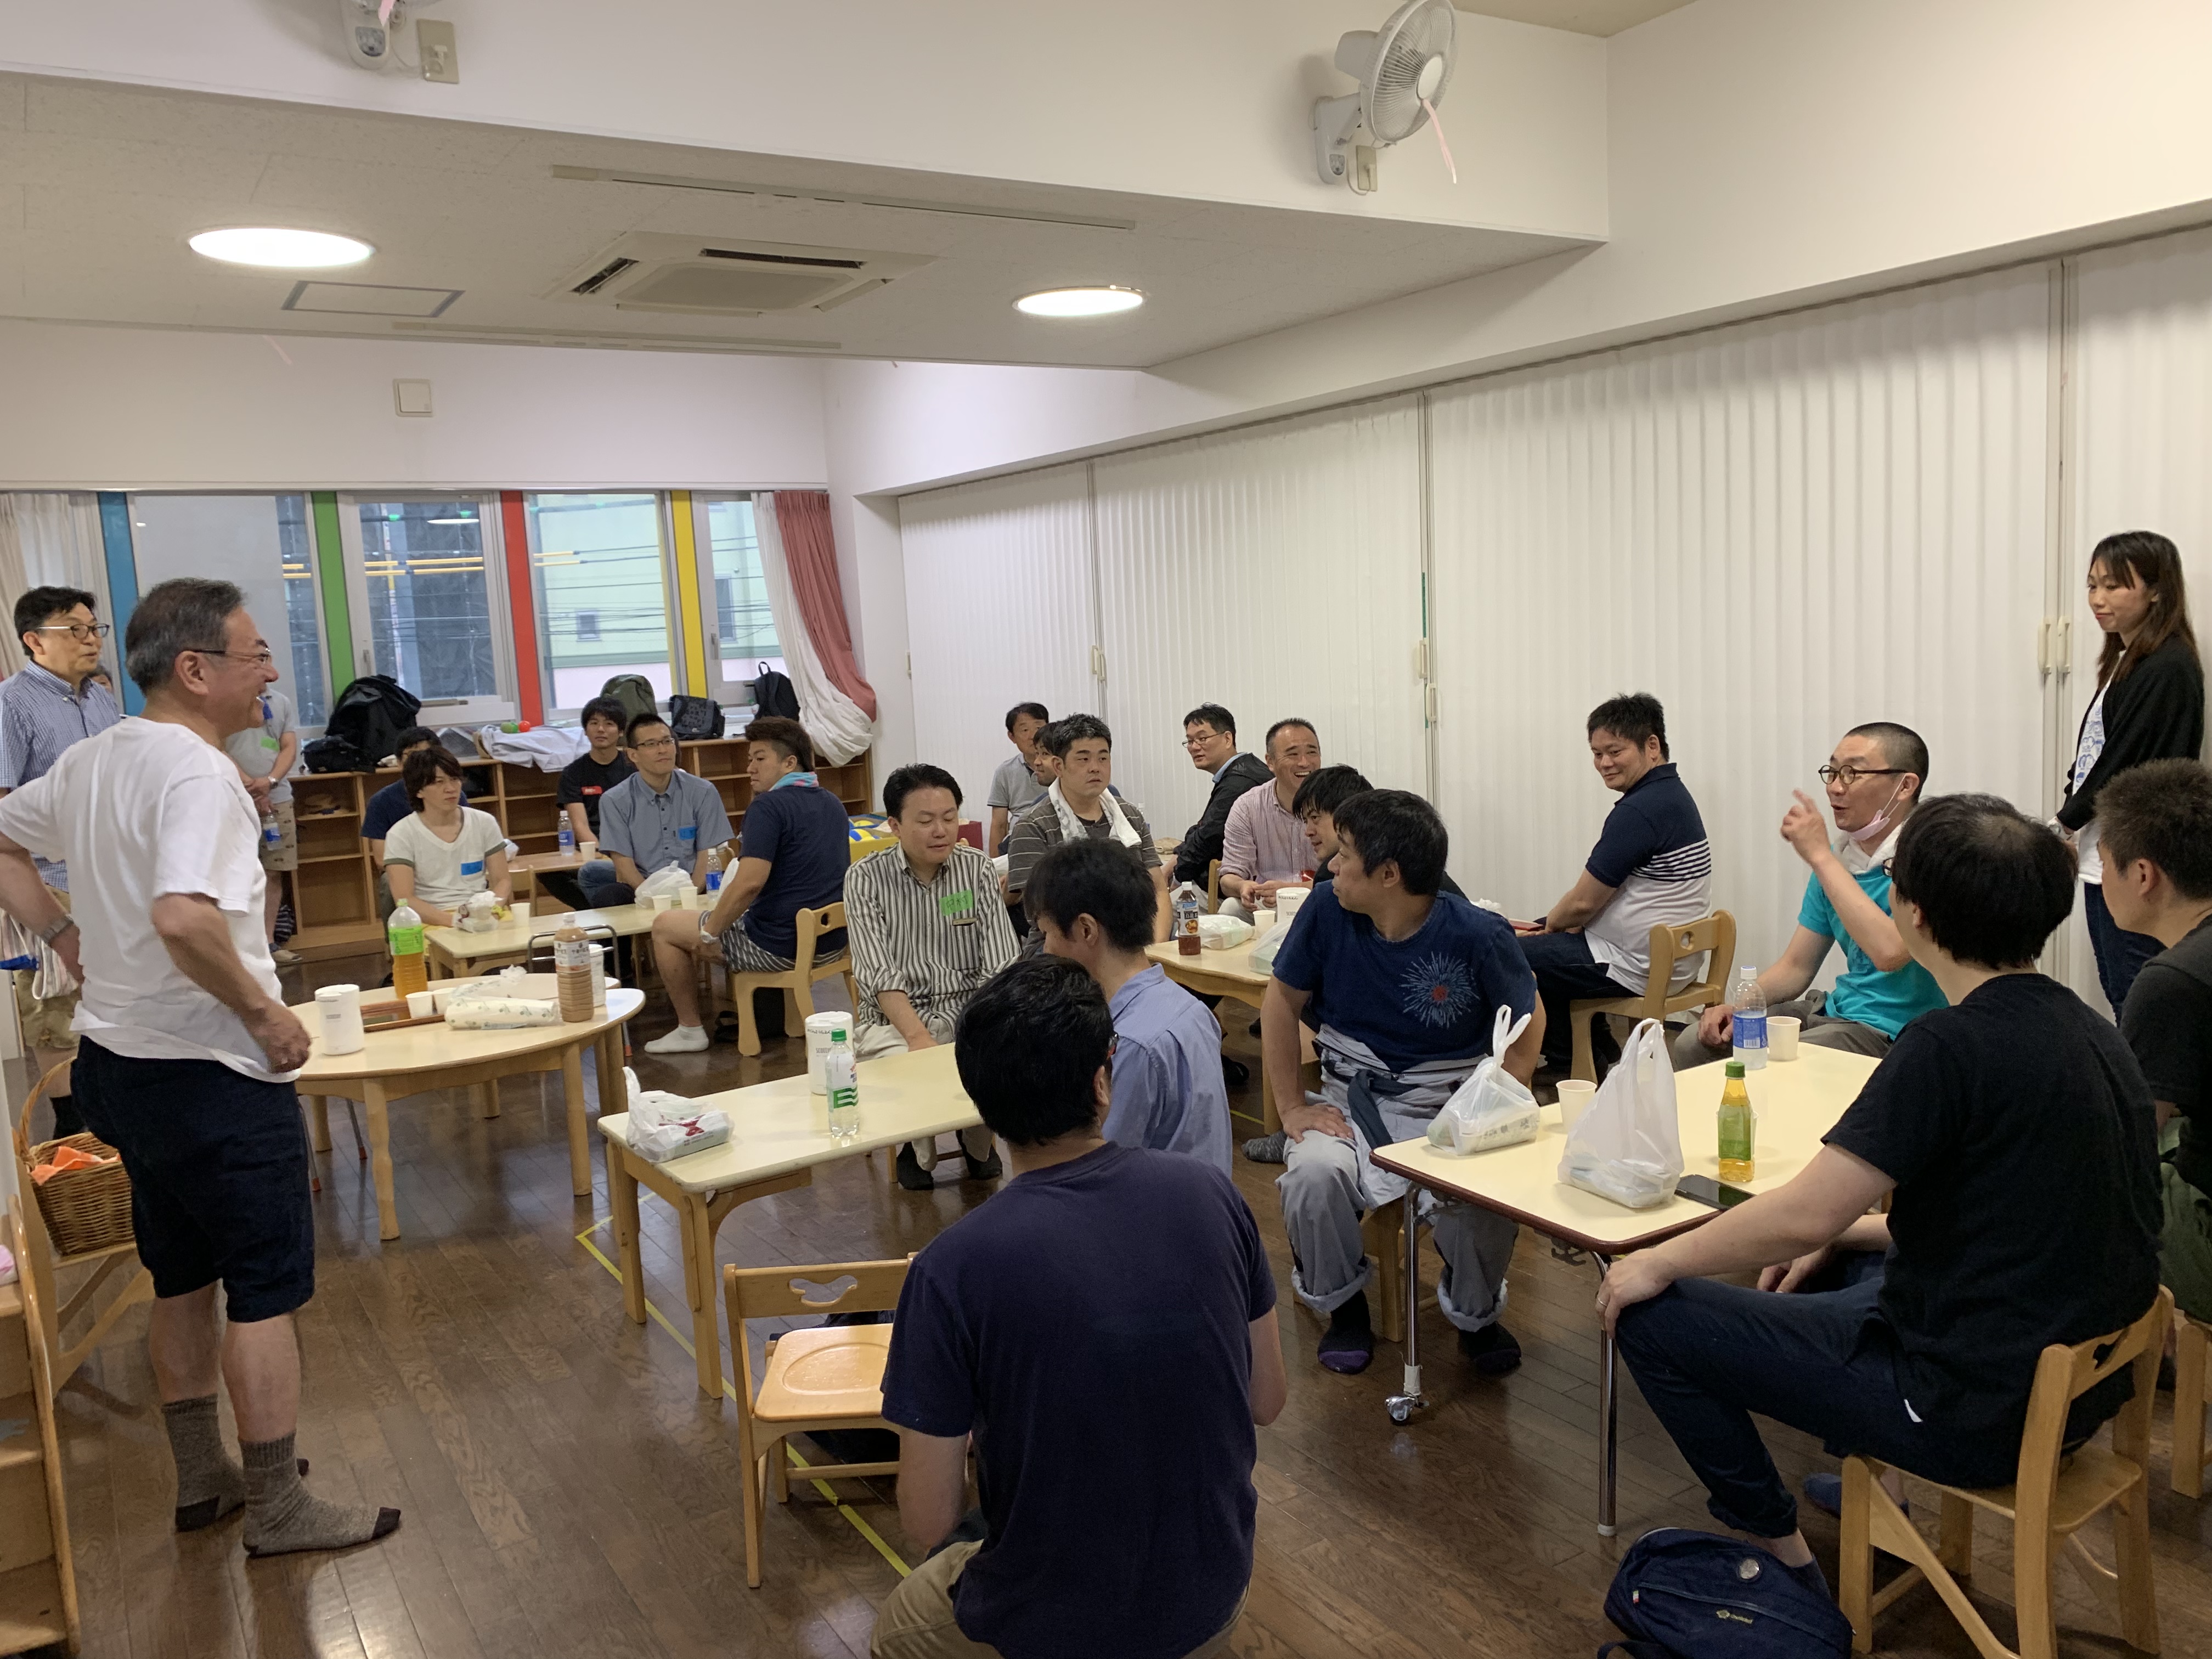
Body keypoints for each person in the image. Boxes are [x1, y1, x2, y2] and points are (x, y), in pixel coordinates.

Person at [1601, 795, 2160, 1594]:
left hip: (1972, 1411)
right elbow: (2010, 1216)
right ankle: (1884, 1499)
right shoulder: (2090, 1026)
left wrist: (1655, 1261)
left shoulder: (1948, 1045)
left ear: (1915, 913)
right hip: (2073, 1386)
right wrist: (1848, 1235)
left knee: (1652, 1315)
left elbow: (1805, 1212)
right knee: (1837, 1255)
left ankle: (1783, 1555)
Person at [0, 578, 399, 1555]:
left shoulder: (98, 756)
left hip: (119, 1065)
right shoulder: (198, 774)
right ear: (194, 668)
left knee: (180, 1276)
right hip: (211, 1070)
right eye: (254, 654)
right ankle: (277, 1506)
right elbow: (183, 917)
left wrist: (64, 933)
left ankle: (205, 1480)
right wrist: (264, 1013)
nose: (268, 671)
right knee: (264, 1289)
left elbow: (4, 833)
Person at [872, 957, 1284, 1659]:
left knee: (895, 1628)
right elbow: (1267, 1400)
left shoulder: (951, 1268)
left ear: (983, 1105)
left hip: (1052, 1626)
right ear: (1101, 1082)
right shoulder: (1213, 1194)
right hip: (1212, 1598)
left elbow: (929, 1520)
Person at [1264, 789, 1543, 1376]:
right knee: (1313, 1175)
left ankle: (1476, 1315)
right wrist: (1290, 1107)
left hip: (1450, 1101)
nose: (1331, 865)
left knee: (1484, 1200)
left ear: (1389, 874)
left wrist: (1497, 1100)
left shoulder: (1477, 934)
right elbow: (1280, 1001)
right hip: (1349, 1097)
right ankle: (1344, 1307)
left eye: (1345, 854)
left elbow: (1529, 1018)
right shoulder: (1325, 911)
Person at [1673, 723, 1944, 1068]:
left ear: (1905, 786)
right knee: (1694, 1044)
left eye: (1853, 773)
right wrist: (1739, 1005)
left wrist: (1820, 857)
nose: (1835, 787)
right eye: (1833, 772)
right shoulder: (1842, 858)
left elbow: (1890, 953)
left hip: (1893, 1032)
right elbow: (1797, 967)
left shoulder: (1930, 857)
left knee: (1782, 1064)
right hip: (1836, 1011)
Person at [1517, 693, 1711, 1076]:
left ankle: (1568, 1063)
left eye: (1615, 751)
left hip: (1638, 963)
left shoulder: (1640, 810)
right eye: (1597, 753)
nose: (1604, 763)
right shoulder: (1671, 794)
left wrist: (1553, 924)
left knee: (1510, 954)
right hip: (1668, 955)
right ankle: (1599, 1050)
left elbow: (1583, 903)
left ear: (1652, 746)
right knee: (1545, 934)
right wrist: (1557, 923)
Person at [845, 763, 1015, 1189]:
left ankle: (978, 1143)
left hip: (968, 1009)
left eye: (949, 818)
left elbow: (1000, 964)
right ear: (895, 826)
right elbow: (879, 972)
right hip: (895, 1020)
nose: (941, 831)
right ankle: (915, 1146)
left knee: (999, 1049)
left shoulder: (976, 869)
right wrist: (919, 1037)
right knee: (906, 1061)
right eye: (925, 821)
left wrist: (981, 1029)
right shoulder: (865, 878)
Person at [2058, 531, 2203, 1014]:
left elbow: (2125, 761)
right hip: (2108, 850)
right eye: (2092, 585)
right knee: (2124, 991)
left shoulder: (2167, 665)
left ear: (2157, 591)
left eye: (2114, 586)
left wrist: (2065, 820)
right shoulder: (2129, 658)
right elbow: (2097, 753)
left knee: (2140, 997)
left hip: (2137, 855)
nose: (2097, 600)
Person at [645, 716, 848, 1055]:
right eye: (750, 758)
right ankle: (786, 1021)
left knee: (665, 926)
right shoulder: (831, 802)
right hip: (830, 944)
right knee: (730, 916)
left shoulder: (768, 806)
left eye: (760, 758)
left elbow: (750, 883)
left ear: (789, 763)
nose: (750, 767)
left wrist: (710, 933)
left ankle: (689, 1030)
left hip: (778, 947)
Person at [0, 585, 122, 1137]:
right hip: (47, 881)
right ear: (34, 641)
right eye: (74, 630)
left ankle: (111, 1129)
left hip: (109, 878)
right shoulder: (11, 703)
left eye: (94, 628)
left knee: (112, 1005)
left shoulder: (100, 699)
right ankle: (72, 1134)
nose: (91, 639)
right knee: (56, 1012)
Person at [1031, 838, 1232, 1171]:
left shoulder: (1130, 1045)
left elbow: (1104, 1168)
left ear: (1086, 929)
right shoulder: (1193, 1008)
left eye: (1047, 934)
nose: (1046, 950)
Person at [2099, 759, 2212, 1327]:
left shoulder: (2172, 982)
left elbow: (2125, 1153)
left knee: (2058, 1196)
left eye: (2102, 865)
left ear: (2143, 875)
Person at [1003, 714, 1167, 934]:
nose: (1095, 768)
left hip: (1135, 940)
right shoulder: (1033, 826)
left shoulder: (1130, 816)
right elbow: (1042, 914)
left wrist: (1155, 946)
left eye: (1103, 758)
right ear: (1059, 766)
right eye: (1083, 759)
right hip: (1063, 944)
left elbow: (1159, 891)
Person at [591, 712, 732, 911]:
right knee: (608, 897)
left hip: (694, 884)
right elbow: (623, 863)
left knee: (735, 886)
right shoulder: (614, 800)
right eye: (651, 744)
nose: (663, 750)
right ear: (633, 755)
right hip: (643, 887)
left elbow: (707, 854)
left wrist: (689, 896)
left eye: (667, 741)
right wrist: (651, 898)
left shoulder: (703, 792)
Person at [1291, 765, 1469, 898]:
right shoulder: (1404, 853)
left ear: (1347, 814)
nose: (1308, 831)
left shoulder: (1336, 873)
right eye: (1306, 821)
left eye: (1315, 817)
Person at [382, 747, 513, 927]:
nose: (451, 789)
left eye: (454, 779)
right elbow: (405, 899)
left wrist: (492, 910)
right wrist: (457, 921)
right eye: (439, 782)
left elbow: (502, 880)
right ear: (419, 790)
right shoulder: (401, 834)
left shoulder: (484, 822)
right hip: (432, 920)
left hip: (482, 913)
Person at [224, 686, 301, 967]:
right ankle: (238, 948)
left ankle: (268, 943)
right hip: (233, 798)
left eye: (266, 663)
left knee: (274, 871)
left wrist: (269, 782)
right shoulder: (225, 697)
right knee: (234, 873)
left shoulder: (280, 702)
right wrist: (250, 785)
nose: (265, 670)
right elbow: (215, 745)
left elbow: (289, 746)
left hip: (277, 797)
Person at [541, 696, 637, 911]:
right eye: (594, 723)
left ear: (621, 731)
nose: (601, 729)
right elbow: (580, 825)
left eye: (609, 724)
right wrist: (602, 853)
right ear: (585, 730)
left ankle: (601, 908)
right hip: (593, 849)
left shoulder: (634, 767)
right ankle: (592, 909)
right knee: (549, 874)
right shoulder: (573, 773)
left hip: (631, 846)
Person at [1218, 718, 1322, 915]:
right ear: (1270, 762)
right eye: (1293, 754)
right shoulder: (1247, 807)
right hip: (1268, 905)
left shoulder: (1336, 802)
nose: (1304, 762)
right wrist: (1242, 886)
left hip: (1320, 899)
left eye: (1312, 752)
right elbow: (1229, 876)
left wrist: (1289, 890)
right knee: (1230, 907)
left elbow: (1349, 877)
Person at [1173, 704, 1271, 890]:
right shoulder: (1243, 770)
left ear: (1227, 739)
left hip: (1244, 885)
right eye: (1190, 741)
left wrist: (1177, 878)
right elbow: (1203, 828)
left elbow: (1209, 837)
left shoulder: (1240, 782)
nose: (1194, 747)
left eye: (1202, 739)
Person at [360, 724, 442, 869]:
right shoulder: (381, 801)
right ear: (399, 762)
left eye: (426, 754)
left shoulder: (451, 793)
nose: (419, 761)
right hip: (405, 870)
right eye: (411, 755)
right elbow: (381, 859)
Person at [987, 702, 1049, 856]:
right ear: (1012, 737)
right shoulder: (1005, 772)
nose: (1033, 736)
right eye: (1025, 730)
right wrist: (994, 865)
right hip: (1019, 842)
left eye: (1038, 728)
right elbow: (999, 824)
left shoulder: (1062, 766)